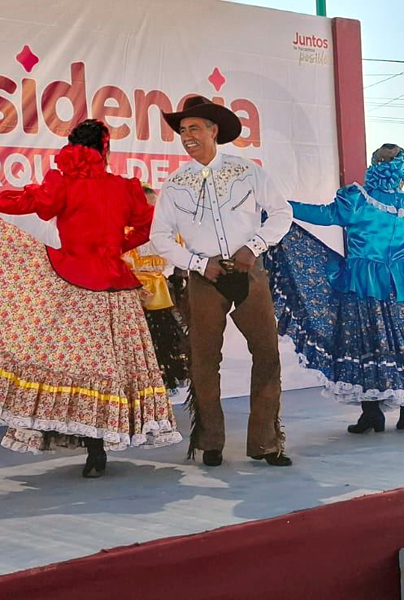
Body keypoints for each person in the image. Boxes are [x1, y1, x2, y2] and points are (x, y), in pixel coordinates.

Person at [0, 119, 181, 478]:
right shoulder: (125, 187)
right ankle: (104, 439)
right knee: (116, 367)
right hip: (115, 287)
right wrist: (114, 248)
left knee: (74, 365)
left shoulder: (62, 182)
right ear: (105, 150)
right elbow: (148, 226)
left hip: (74, 282)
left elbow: (26, 202)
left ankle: (87, 440)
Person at [269, 144, 404, 434]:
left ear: (374, 166)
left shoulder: (358, 200)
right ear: (401, 171)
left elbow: (323, 215)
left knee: (367, 344)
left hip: (363, 282)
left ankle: (372, 414)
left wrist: (282, 206)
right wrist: (401, 259)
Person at [150, 95, 293, 468]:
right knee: (203, 359)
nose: (187, 136)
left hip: (249, 272)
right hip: (204, 278)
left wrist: (253, 247)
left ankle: (265, 443)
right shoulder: (175, 183)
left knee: (266, 354)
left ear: (213, 130)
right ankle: (210, 442)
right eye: (183, 130)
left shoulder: (247, 171)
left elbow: (282, 213)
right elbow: (159, 236)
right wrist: (198, 263)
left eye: (194, 128)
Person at [122, 185, 190, 390]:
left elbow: (182, 257)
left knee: (164, 340)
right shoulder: (121, 231)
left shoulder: (167, 231)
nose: (151, 212)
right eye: (146, 207)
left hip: (159, 294)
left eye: (155, 207)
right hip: (127, 297)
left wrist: (180, 277)